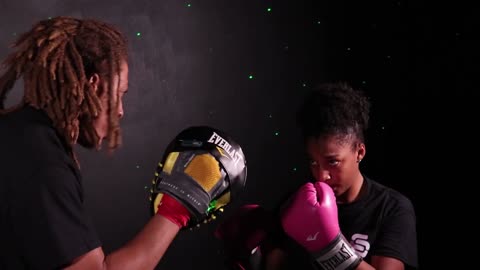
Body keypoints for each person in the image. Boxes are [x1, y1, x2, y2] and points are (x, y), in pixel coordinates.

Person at [0, 16, 247, 270]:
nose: (120, 111)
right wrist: (177, 208)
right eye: (118, 95)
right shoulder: (44, 165)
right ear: (93, 87)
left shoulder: (19, 135)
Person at [215, 82, 418, 270]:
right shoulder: (294, 203)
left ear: (359, 153)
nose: (321, 176)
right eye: (313, 162)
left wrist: (331, 247)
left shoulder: (391, 208)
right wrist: (250, 257)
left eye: (333, 162)